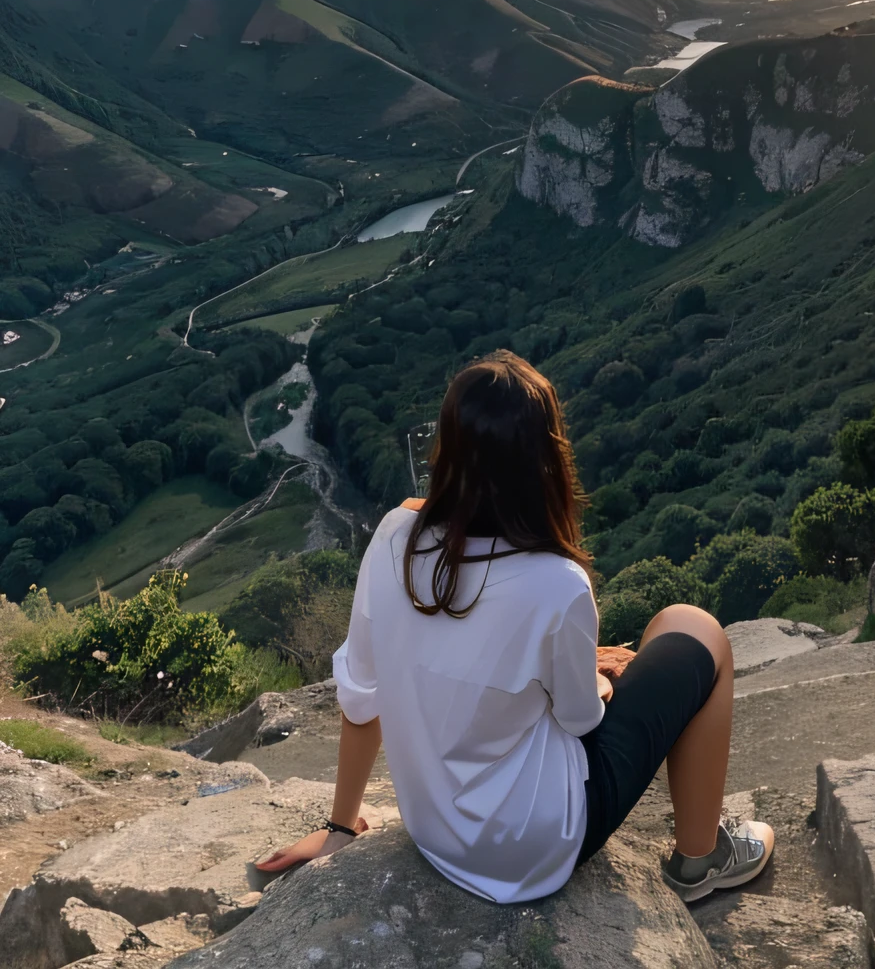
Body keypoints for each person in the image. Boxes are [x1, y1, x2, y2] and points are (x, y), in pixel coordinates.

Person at [256, 350, 773, 905]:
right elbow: (579, 721)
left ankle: (702, 856)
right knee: (693, 627)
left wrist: (340, 827)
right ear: (544, 459)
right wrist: (598, 677)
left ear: (448, 448)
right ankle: (700, 861)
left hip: (432, 834)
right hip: (533, 849)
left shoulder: (392, 538)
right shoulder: (558, 582)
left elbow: (361, 699)